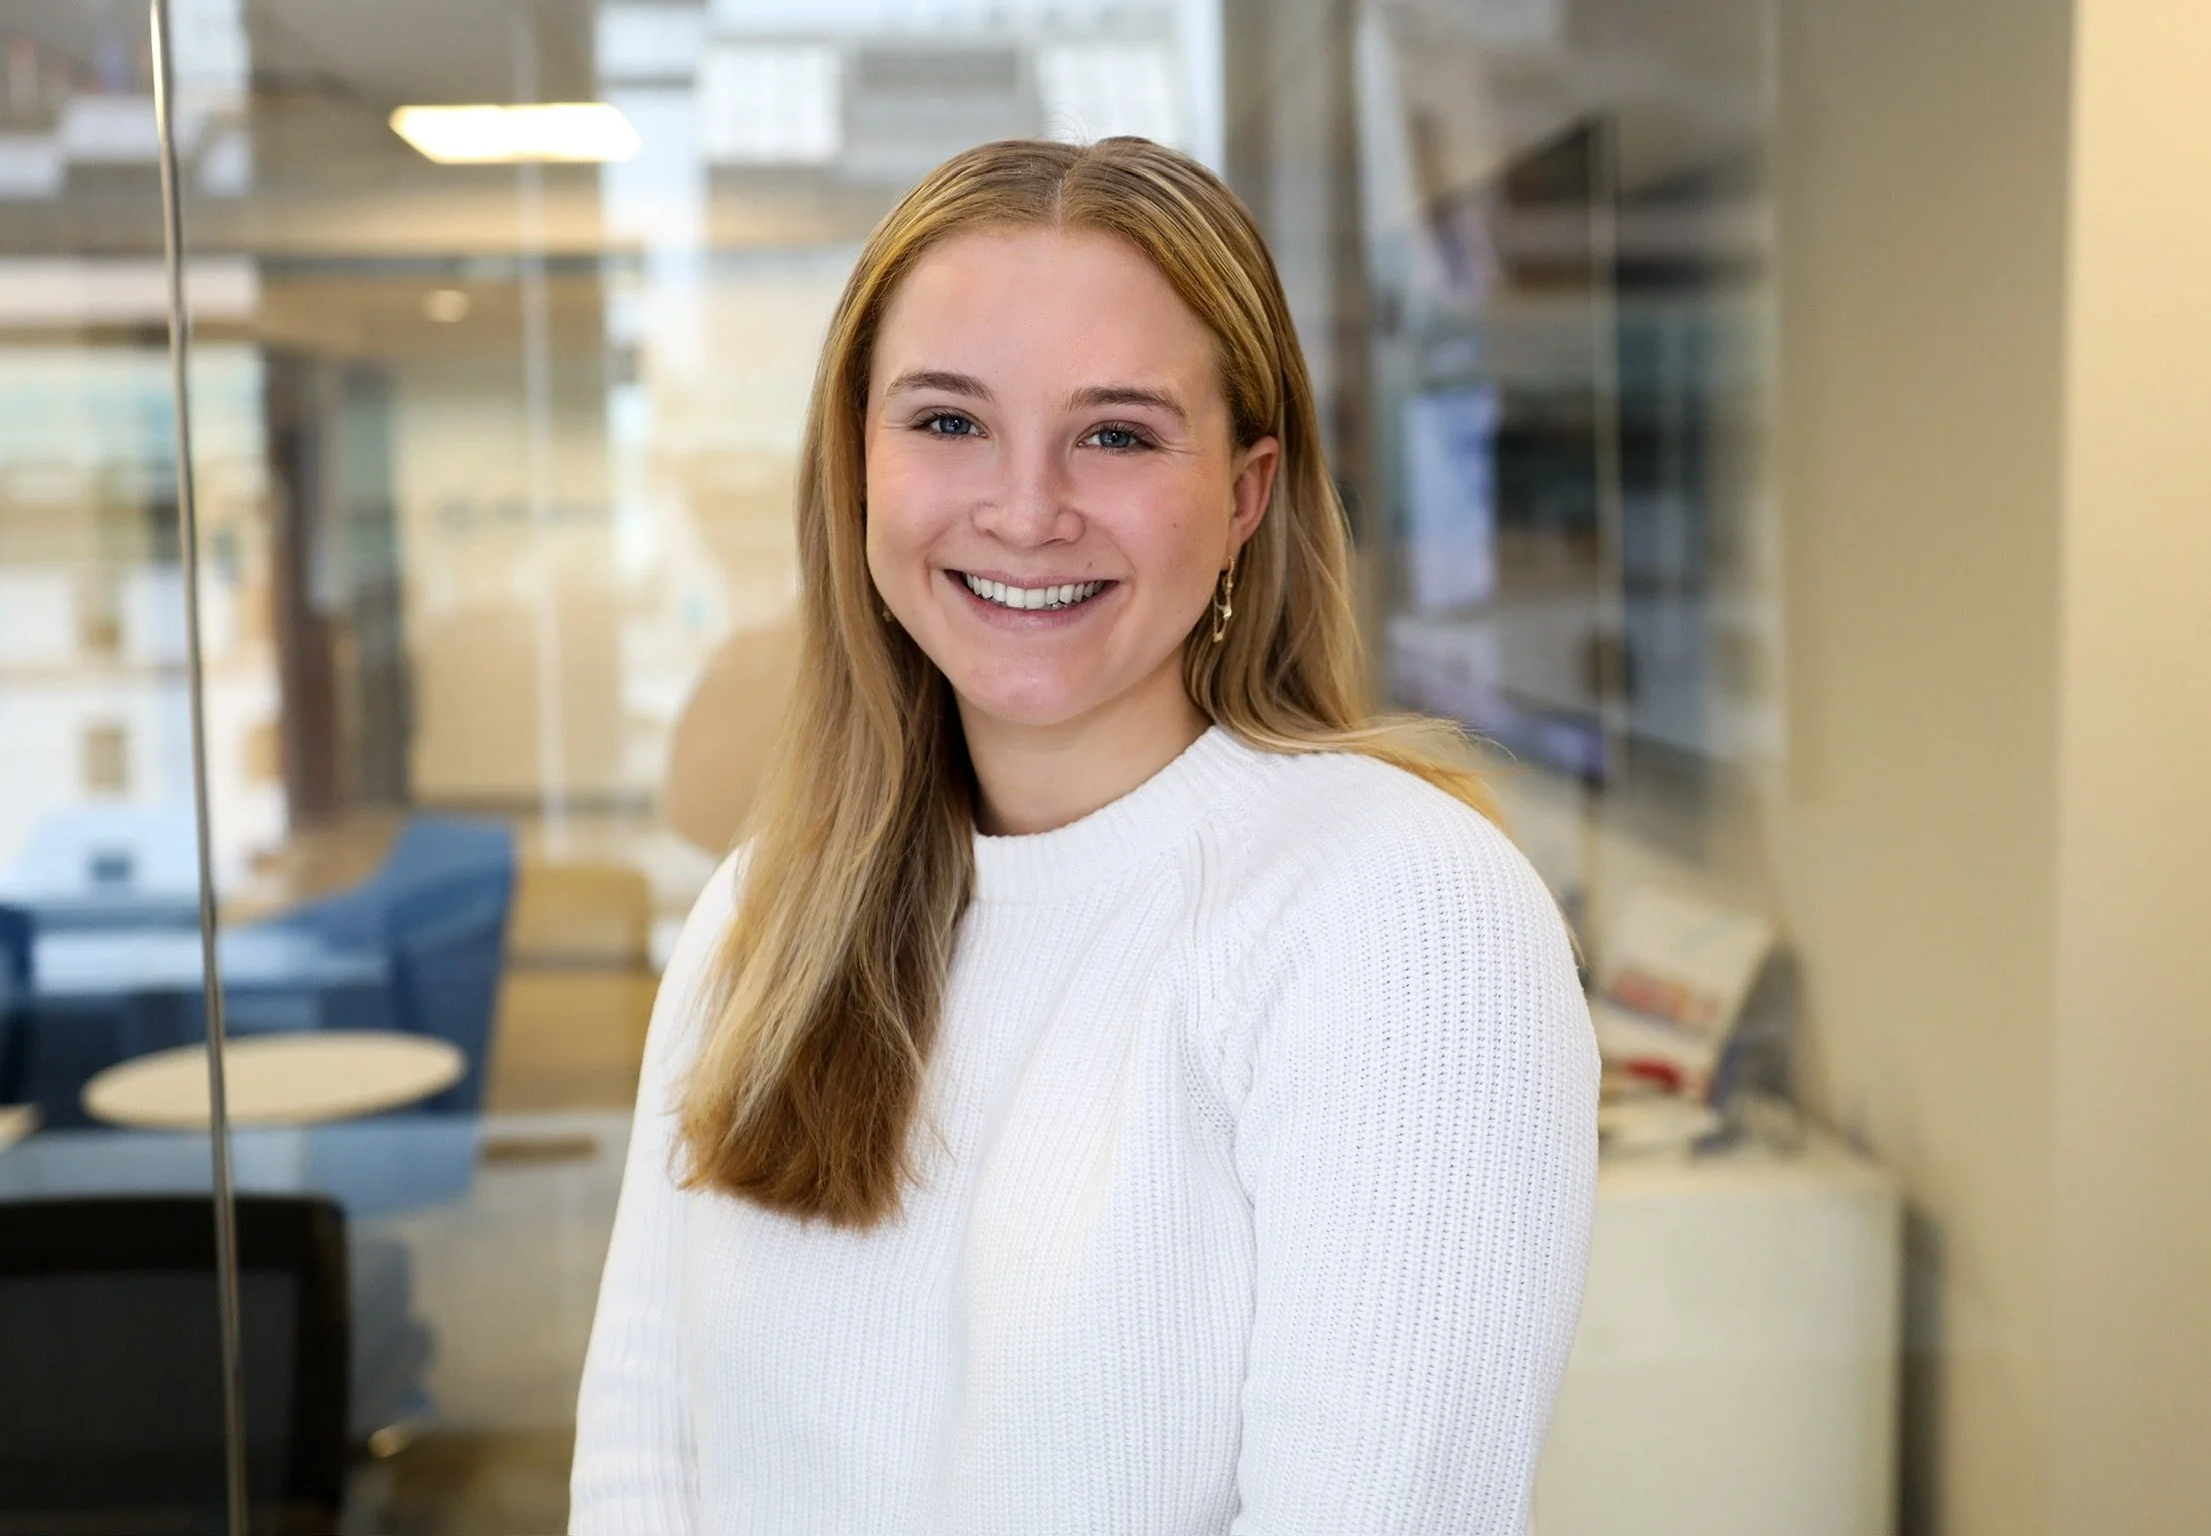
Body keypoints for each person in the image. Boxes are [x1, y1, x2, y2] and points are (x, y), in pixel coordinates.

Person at [572, 137, 1598, 1535]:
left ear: (1243, 495)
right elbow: (643, 1461)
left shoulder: (1401, 912)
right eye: (949, 422)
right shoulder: (767, 911)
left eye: (1116, 434)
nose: (1025, 511)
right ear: (858, 465)